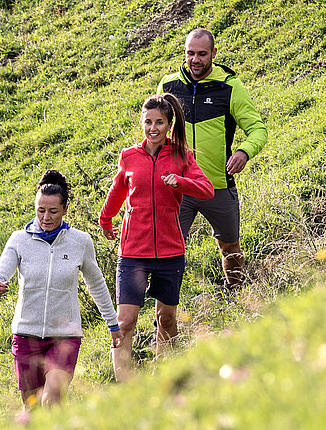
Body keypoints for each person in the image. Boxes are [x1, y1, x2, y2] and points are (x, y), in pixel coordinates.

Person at [99, 93, 213, 381]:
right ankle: (126, 385)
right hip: (133, 253)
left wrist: (182, 181)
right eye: (147, 122)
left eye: (159, 122)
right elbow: (118, 191)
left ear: (169, 124)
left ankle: (166, 379)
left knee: (167, 319)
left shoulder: (181, 156)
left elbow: (207, 189)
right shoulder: (129, 156)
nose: (153, 128)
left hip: (169, 252)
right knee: (125, 322)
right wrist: (105, 219)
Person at [0, 170, 123, 408]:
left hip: (65, 336)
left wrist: (113, 324)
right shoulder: (19, 240)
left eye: (53, 211)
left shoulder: (80, 242)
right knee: (32, 410)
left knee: (52, 401)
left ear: (65, 209)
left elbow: (97, 284)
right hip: (26, 336)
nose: (46, 217)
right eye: (41, 210)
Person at [157, 28, 269, 290]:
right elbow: (153, 129)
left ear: (214, 54)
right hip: (178, 186)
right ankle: (164, 318)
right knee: (168, 252)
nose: (195, 60)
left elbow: (258, 129)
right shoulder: (168, 85)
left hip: (216, 184)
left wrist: (244, 152)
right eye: (190, 53)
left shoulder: (230, 87)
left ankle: (237, 294)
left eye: (202, 54)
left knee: (229, 246)